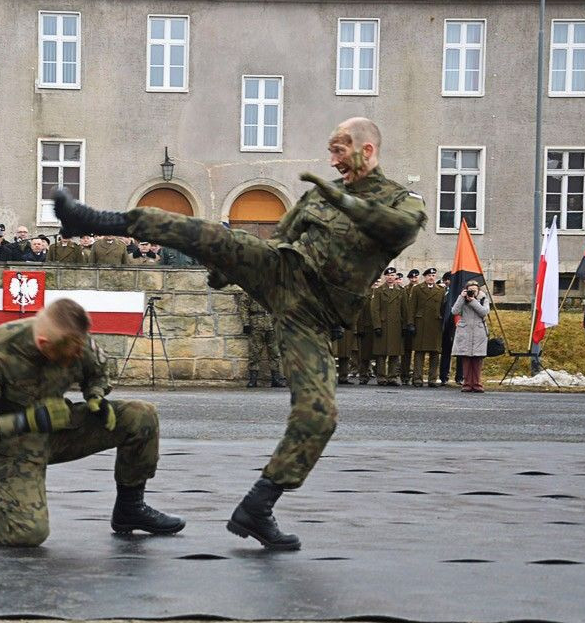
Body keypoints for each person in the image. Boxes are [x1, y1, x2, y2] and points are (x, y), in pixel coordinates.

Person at [53, 116, 426, 549]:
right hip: (282, 270)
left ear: (368, 151)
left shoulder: (402, 199)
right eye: (330, 150)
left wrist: (342, 202)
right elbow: (282, 237)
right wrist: (228, 267)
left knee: (319, 415)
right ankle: (92, 220)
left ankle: (258, 507)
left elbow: (399, 230)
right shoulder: (318, 197)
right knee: (206, 234)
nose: (332, 159)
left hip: (316, 313)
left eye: (340, 150)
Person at [0, 298, 184, 546]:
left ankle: (130, 508)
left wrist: (95, 396)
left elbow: (97, 370)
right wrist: (28, 420)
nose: (75, 359)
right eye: (67, 358)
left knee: (141, 415)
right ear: (43, 345)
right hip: (13, 444)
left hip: (61, 426)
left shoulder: (74, 339)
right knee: (26, 532)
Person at [239, 293, 286, 388]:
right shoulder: (250, 288)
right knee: (254, 352)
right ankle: (253, 379)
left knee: (274, 352)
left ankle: (275, 378)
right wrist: (246, 323)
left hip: (272, 324)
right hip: (256, 325)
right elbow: (243, 306)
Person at [371, 267, 407, 386]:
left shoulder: (401, 291)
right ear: (385, 277)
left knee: (394, 353)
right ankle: (381, 377)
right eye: (388, 275)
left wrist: (405, 325)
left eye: (393, 275)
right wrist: (377, 325)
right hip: (383, 324)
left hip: (396, 325)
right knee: (381, 353)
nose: (390, 277)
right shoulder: (379, 291)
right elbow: (375, 309)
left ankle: (392, 377)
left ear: (395, 276)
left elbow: (404, 309)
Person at [451, 279, 489, 393]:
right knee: (466, 358)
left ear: (478, 290)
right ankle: (467, 383)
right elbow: (454, 311)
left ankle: (477, 384)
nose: (472, 292)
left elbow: (484, 312)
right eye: (470, 290)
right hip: (465, 331)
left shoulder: (483, 299)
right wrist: (461, 298)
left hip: (478, 331)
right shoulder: (462, 299)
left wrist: (473, 301)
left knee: (477, 359)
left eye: (474, 290)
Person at [408, 267, 445, 387]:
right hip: (421, 323)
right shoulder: (418, 289)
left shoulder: (440, 290)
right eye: (429, 275)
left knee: (435, 353)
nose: (431, 277)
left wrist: (443, 323)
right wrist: (411, 323)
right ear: (425, 277)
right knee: (419, 353)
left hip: (435, 324)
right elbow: (412, 307)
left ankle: (432, 379)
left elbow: (443, 308)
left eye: (433, 276)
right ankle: (417, 379)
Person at [399, 268, 420, 384]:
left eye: (416, 277)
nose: (414, 279)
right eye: (412, 277)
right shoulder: (405, 290)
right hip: (407, 323)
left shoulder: (421, 289)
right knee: (406, 352)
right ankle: (405, 375)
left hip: (419, 323)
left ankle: (416, 375)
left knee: (418, 351)